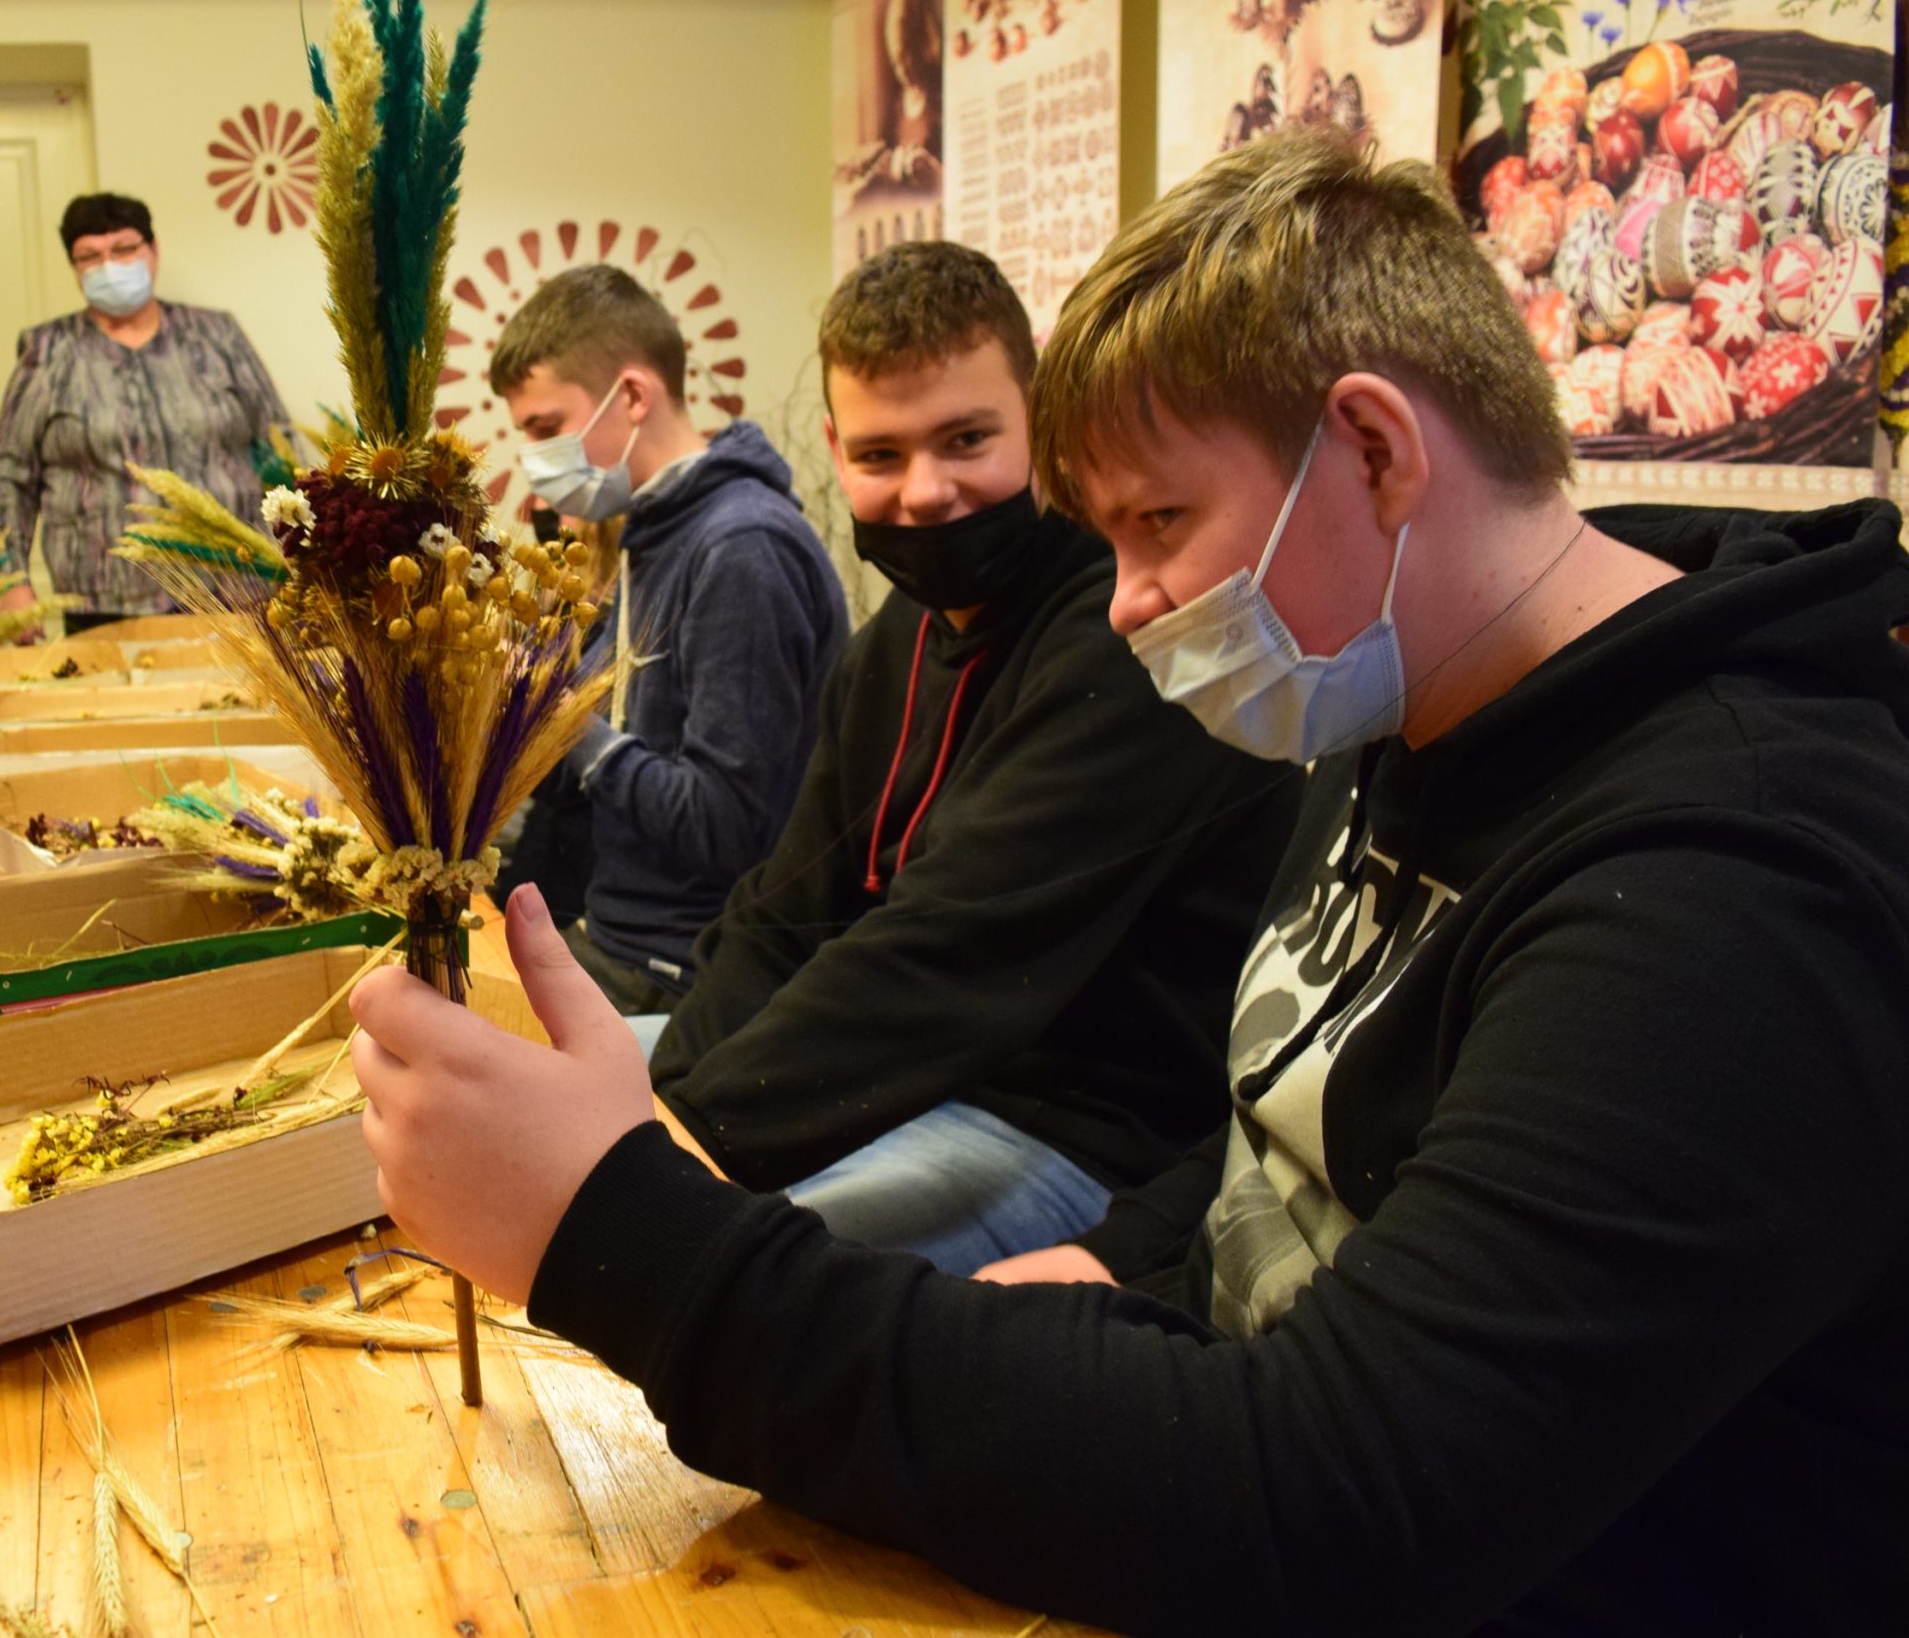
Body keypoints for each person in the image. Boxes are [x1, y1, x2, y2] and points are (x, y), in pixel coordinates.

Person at [346, 129, 1909, 1633]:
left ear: (1374, 449)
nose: (1131, 600)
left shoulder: (1738, 884)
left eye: (1162, 522)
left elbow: (1348, 1494)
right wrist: (1128, 1258)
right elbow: (1286, 1129)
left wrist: (627, 1234)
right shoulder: (1400, 707)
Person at [647, 242, 1301, 1270]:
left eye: (965, 440)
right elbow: (784, 912)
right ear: (834, 449)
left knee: (704, 1269)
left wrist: (675, 1156)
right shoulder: (891, 646)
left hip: (1086, 1135)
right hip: (918, 1082)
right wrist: (657, 1109)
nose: (926, 491)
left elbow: (947, 954)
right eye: (880, 455)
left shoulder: (1131, 635)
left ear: (1039, 417)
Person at [491, 264, 848, 1016]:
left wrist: (565, 717)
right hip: (620, 932)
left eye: (546, 429)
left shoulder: (741, 548)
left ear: (631, 395)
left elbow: (724, 826)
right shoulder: (650, 534)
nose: (535, 461)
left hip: (687, 968)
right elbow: (597, 773)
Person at [0, 191, 290, 633]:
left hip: (236, 587)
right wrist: (12, 581)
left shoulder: (216, 335)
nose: (109, 265)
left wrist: (303, 556)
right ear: (75, 269)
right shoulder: (48, 350)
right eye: (89, 256)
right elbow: (11, 476)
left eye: (124, 248)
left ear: (153, 251)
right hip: (105, 600)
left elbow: (279, 446)